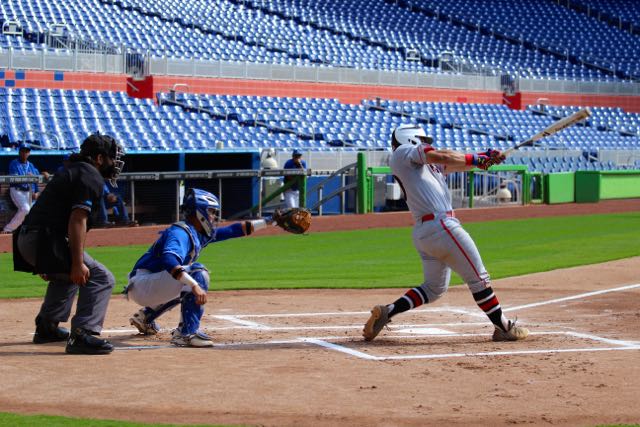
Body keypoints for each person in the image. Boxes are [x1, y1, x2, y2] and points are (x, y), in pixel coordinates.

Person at [362, 124, 529, 342]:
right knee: (479, 279)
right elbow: (443, 155)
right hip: (442, 226)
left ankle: (388, 311)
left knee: (433, 289)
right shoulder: (402, 153)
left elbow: (453, 162)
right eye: (422, 139)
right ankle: (504, 327)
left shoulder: (423, 165)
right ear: (410, 139)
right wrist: (477, 159)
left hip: (427, 231)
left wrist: (485, 158)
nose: (426, 143)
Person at [13, 133, 125, 355]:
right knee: (101, 278)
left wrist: (54, 263)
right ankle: (83, 335)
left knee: (68, 276)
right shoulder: (90, 175)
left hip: (30, 239)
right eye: (112, 158)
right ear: (99, 158)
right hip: (42, 240)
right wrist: (75, 262)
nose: (115, 163)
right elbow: (77, 219)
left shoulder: (74, 169)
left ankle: (47, 327)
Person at [125, 188, 274, 347]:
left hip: (147, 284)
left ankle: (146, 317)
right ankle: (186, 333)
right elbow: (169, 260)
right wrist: (194, 285)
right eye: (210, 211)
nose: (213, 216)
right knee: (197, 273)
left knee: (186, 280)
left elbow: (233, 230)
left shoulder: (197, 232)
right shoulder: (180, 233)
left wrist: (271, 220)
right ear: (199, 212)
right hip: (143, 284)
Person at [2, 143, 49, 234]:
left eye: (26, 151)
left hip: (28, 192)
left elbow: (36, 177)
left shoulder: (30, 165)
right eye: (22, 151)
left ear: (29, 153)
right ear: (19, 152)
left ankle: (26, 230)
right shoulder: (14, 163)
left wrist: (36, 190)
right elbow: (16, 180)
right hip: (17, 190)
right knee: (25, 209)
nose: (24, 153)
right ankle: (8, 229)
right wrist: (28, 177)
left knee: (34, 210)